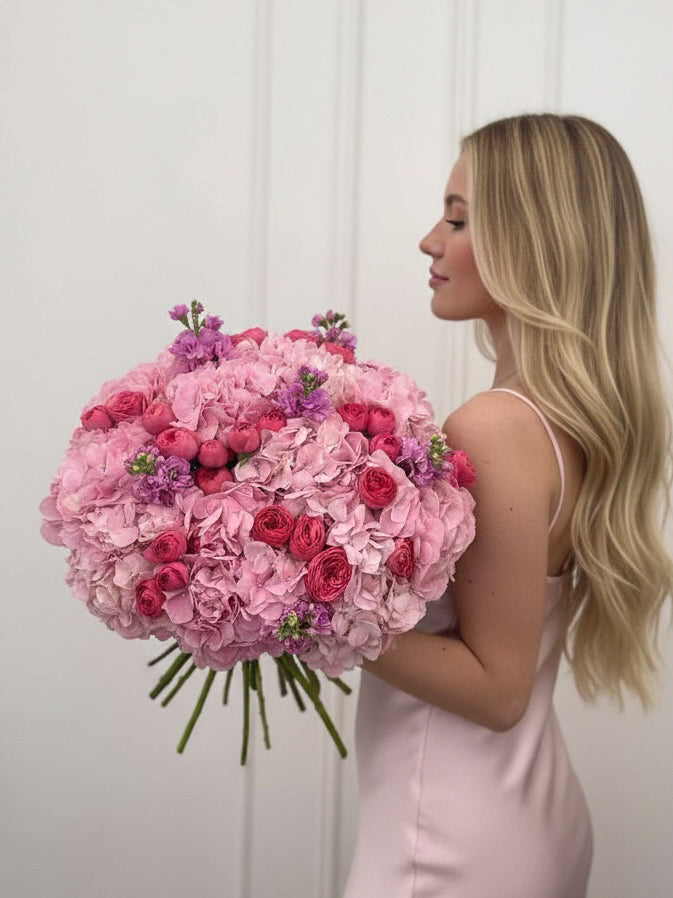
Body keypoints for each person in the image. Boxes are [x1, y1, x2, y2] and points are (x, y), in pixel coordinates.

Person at [342, 113, 673, 898]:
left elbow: (496, 689)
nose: (429, 241)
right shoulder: (560, 422)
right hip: (517, 810)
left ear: (532, 242)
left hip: (448, 838)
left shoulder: (495, 426)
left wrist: (297, 612)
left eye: (457, 220)